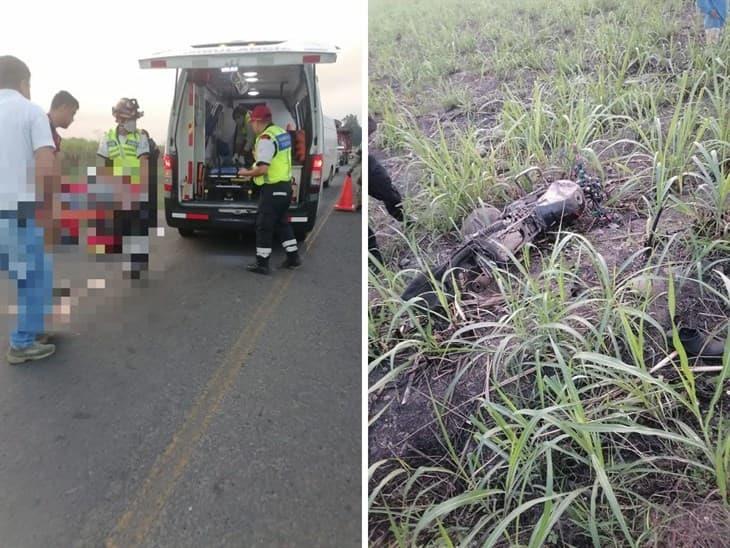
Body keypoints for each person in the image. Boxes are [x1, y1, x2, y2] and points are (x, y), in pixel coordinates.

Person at [0, 56, 58, 364]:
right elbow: (45, 163)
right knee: (34, 277)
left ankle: (30, 332)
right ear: (24, 82)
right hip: (16, 212)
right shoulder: (30, 112)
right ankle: (23, 342)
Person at [236, 104, 301, 275]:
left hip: (273, 188)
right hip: (285, 186)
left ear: (258, 121)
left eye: (252, 122)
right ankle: (294, 258)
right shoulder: (280, 133)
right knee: (282, 223)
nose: (251, 125)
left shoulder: (266, 139)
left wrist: (247, 173)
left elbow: (263, 168)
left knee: (264, 225)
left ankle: (262, 264)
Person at [97, 98, 151, 280]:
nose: (133, 122)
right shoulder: (108, 137)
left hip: (136, 190)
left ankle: (138, 266)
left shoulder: (140, 136)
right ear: (119, 118)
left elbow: (144, 163)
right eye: (130, 118)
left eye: (135, 118)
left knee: (139, 230)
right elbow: (105, 164)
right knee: (121, 227)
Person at [364, 117, 405, 268]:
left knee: (389, 191)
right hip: (361, 171)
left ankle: (403, 217)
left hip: (368, 165)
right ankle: (374, 263)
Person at [48, 91, 80, 245]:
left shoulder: (53, 132)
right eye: (72, 113)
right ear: (63, 107)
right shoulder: (41, 126)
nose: (73, 119)